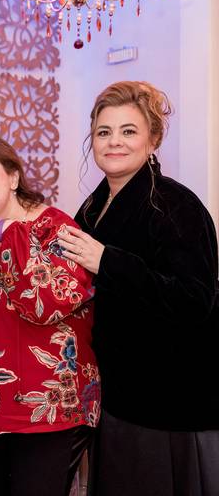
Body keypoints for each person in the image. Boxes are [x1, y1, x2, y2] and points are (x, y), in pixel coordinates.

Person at [56, 81, 219, 496]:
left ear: (153, 139)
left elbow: (194, 300)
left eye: (128, 131)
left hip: (167, 400)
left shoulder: (177, 205)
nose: (114, 142)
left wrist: (108, 261)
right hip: (117, 391)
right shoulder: (93, 207)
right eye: (104, 132)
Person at [0, 137, 98, 496]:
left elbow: (47, 303)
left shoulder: (55, 227)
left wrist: (5, 231)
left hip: (46, 412)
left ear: (13, 177)